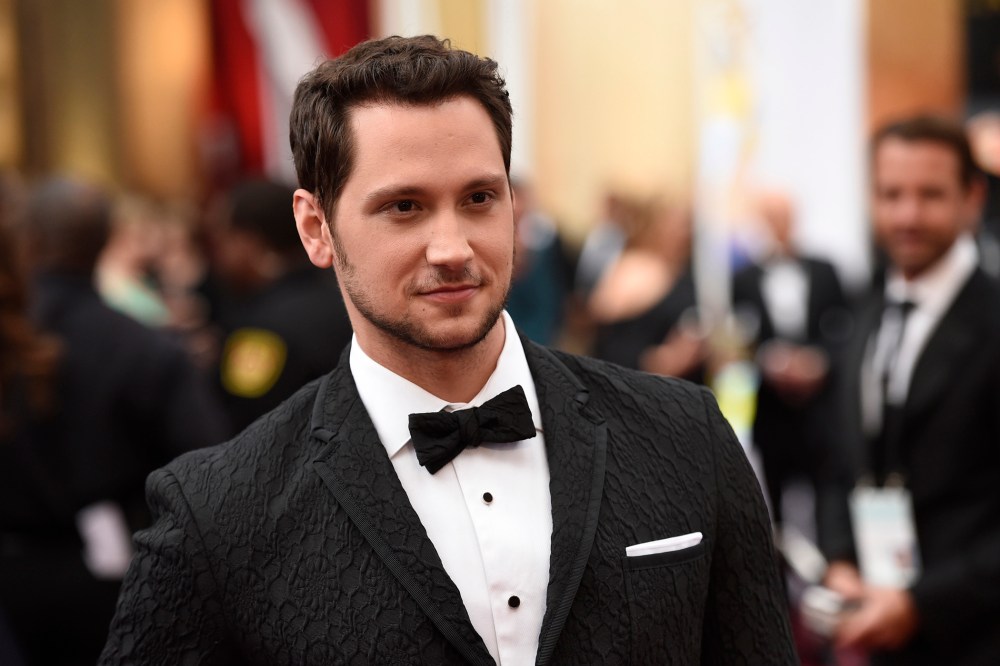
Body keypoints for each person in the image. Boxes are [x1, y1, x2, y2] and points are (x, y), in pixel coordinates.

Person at [101, 35, 796, 665]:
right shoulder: (220, 513)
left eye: (479, 198)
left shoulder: (685, 436)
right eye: (403, 206)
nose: (453, 248)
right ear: (316, 228)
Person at [821, 116, 1000, 665]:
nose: (907, 215)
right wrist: (841, 562)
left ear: (972, 197)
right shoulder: (868, 312)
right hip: (877, 625)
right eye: (891, 194)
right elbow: (844, 457)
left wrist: (921, 602)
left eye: (929, 195)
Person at [732, 191, 850, 525]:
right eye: (770, 217)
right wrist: (769, 362)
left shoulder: (825, 269)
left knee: (827, 491)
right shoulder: (743, 278)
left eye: (782, 216)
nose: (777, 224)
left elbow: (847, 327)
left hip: (821, 409)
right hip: (772, 407)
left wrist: (819, 362)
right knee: (773, 496)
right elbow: (740, 338)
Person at [206, 178, 353, 431]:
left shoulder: (261, 329)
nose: (218, 256)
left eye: (223, 240)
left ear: (248, 242)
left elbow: (243, 423)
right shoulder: (345, 298)